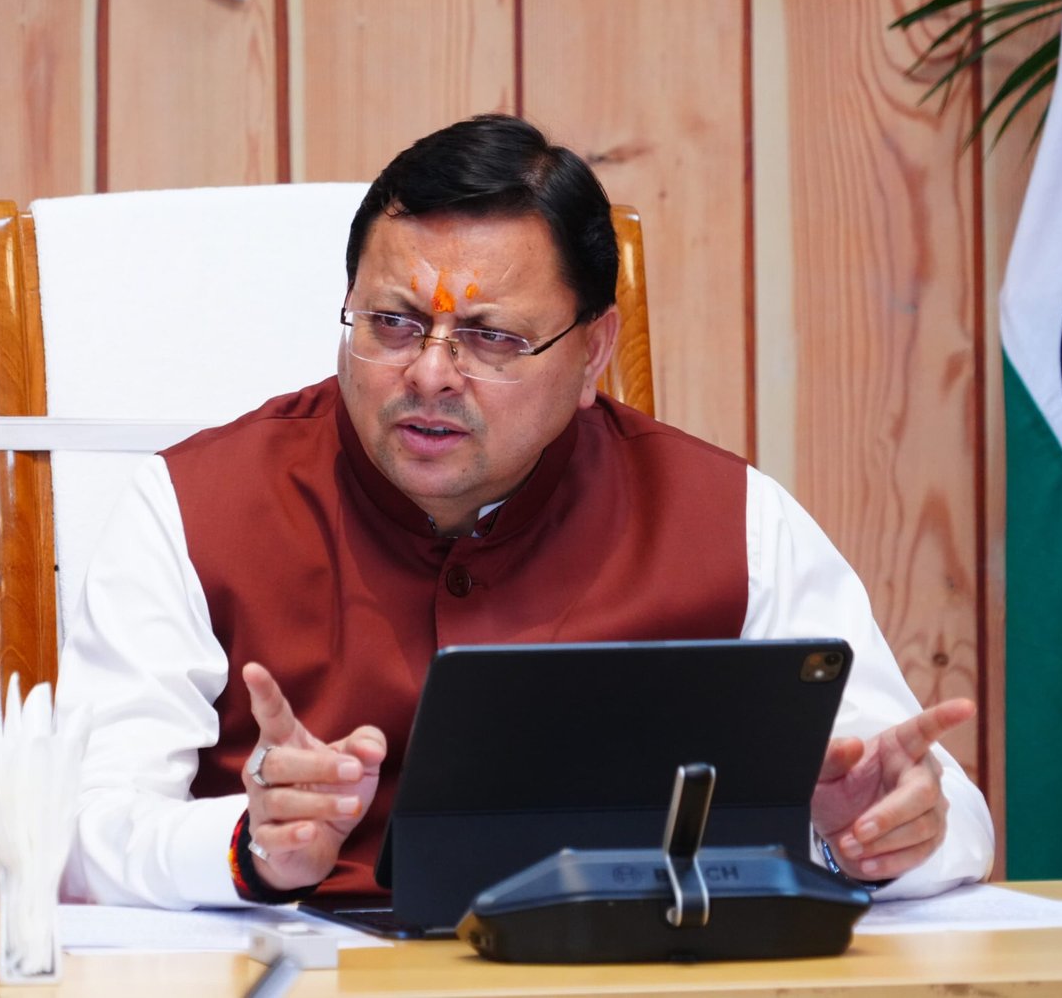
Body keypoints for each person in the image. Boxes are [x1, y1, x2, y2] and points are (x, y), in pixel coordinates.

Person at [55, 114, 994, 910]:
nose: (430, 372)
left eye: (491, 336)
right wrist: (250, 847)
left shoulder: (731, 523)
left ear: (593, 354)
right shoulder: (193, 508)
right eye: (393, 323)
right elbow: (79, 836)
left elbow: (939, 813)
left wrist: (870, 836)